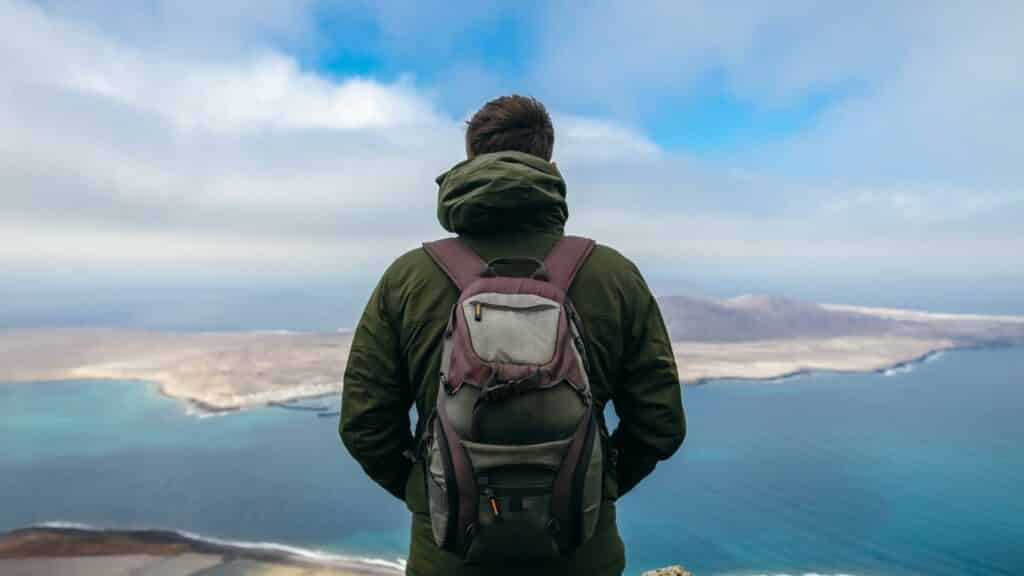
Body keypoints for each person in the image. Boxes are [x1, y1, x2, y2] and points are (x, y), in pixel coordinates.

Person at [340, 95, 685, 575]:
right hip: (581, 554)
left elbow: (364, 424)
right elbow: (660, 422)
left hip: (449, 558)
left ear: (467, 163)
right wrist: (595, 485)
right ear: (551, 164)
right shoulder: (612, 274)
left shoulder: (408, 278)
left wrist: (429, 491)